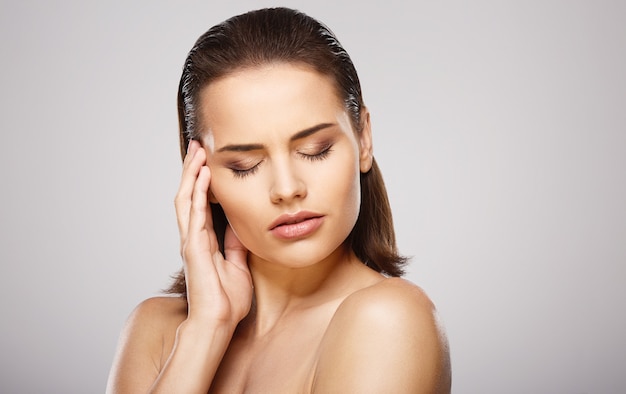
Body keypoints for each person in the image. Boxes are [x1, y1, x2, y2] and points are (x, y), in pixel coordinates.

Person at [106, 7, 451, 393]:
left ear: (363, 140)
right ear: (203, 176)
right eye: (244, 165)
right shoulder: (157, 329)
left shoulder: (388, 318)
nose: (287, 189)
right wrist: (207, 327)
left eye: (315, 149)